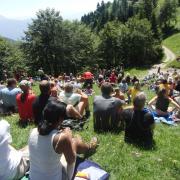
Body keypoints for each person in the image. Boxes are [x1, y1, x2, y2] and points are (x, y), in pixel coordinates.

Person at [29, 100, 98, 180]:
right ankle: (90, 147)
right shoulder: (61, 138)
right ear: (60, 119)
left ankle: (88, 147)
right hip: (56, 177)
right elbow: (71, 161)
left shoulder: (33, 131)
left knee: (73, 141)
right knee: (75, 141)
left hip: (33, 177)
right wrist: (68, 136)